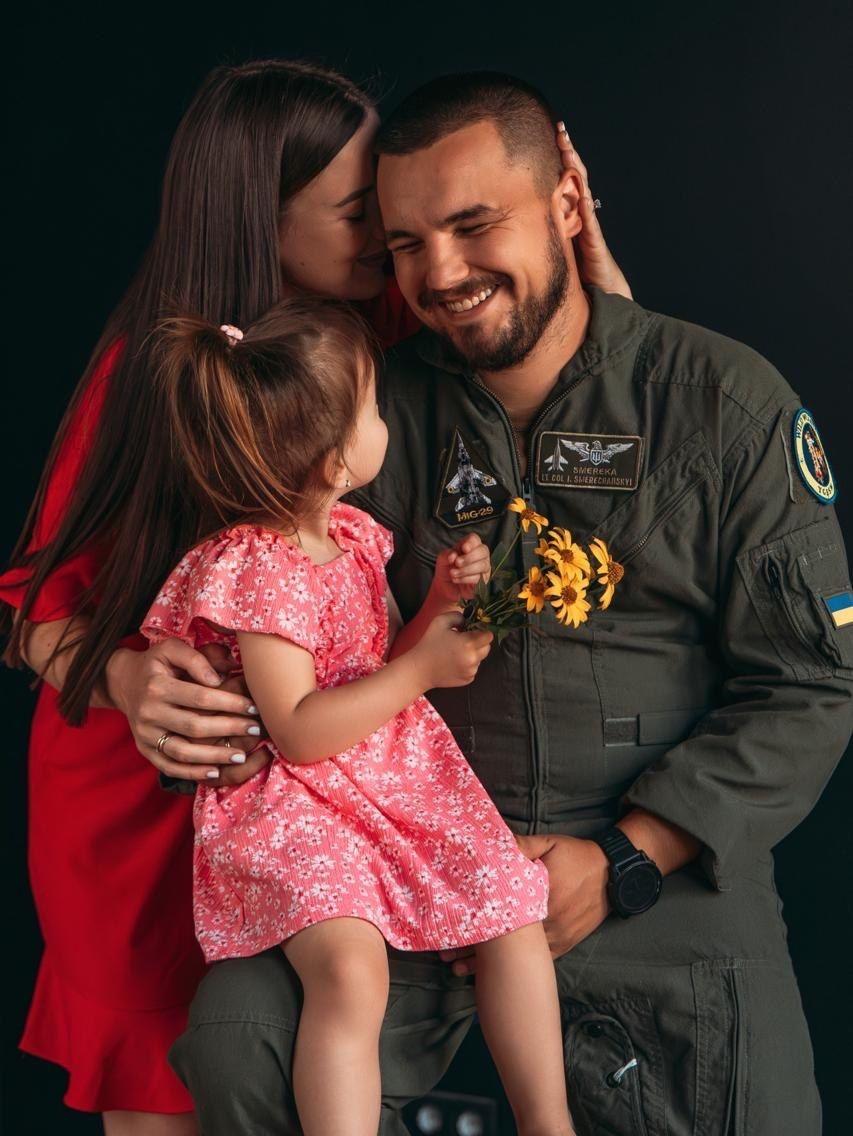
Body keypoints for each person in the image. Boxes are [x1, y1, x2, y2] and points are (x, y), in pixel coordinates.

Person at [171, 73, 853, 1135]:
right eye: (404, 243)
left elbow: (811, 682)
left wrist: (627, 854)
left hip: (657, 885)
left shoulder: (723, 406)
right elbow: (248, 597)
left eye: (473, 223)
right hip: (405, 860)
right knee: (239, 1039)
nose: (439, 272)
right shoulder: (361, 415)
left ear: (567, 208)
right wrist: (153, 677)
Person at [0, 59, 627, 1132]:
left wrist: (579, 240)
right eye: (359, 212)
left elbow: (600, 366)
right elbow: (24, 605)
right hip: (148, 790)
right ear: (261, 218)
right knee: (169, 1084)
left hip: (329, 784)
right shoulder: (156, 374)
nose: (391, 235)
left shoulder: (372, 317)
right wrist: (119, 673)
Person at [138, 301, 577, 1136]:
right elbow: (298, 728)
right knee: (351, 968)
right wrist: (420, 668)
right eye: (374, 409)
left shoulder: (351, 535)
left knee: (511, 905)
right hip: (297, 804)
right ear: (337, 459)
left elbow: (377, 662)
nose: (385, 420)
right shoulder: (259, 568)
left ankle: (548, 1120)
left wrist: (441, 608)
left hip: (389, 776)